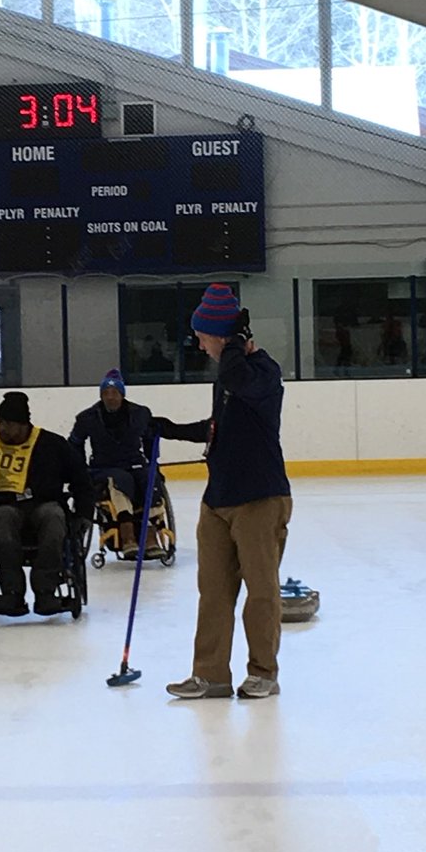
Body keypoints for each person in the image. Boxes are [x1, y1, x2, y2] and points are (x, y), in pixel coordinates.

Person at [165, 283, 292, 701]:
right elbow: (221, 428)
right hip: (218, 498)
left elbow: (238, 378)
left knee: (261, 592)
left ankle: (263, 672)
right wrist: (169, 430)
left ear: (224, 336)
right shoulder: (228, 375)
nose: (200, 346)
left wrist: (234, 343)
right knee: (214, 593)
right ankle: (211, 675)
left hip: (259, 497)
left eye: (204, 337)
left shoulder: (262, 372)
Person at [0, 391, 94, 617]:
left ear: (24, 425)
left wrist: (84, 514)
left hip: (44, 504)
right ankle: (11, 592)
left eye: (8, 424)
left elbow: (81, 480)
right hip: (1, 506)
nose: (2, 429)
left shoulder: (52, 445)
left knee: (54, 517)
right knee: (4, 519)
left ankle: (46, 590)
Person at [69, 368, 188, 559]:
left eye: (114, 393)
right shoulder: (87, 418)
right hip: (104, 466)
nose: (110, 397)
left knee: (149, 479)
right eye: (106, 394)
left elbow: (149, 439)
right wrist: (80, 471)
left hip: (134, 462)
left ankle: (150, 536)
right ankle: (127, 535)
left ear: (122, 394)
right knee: (119, 480)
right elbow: (74, 443)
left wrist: (153, 462)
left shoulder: (140, 414)